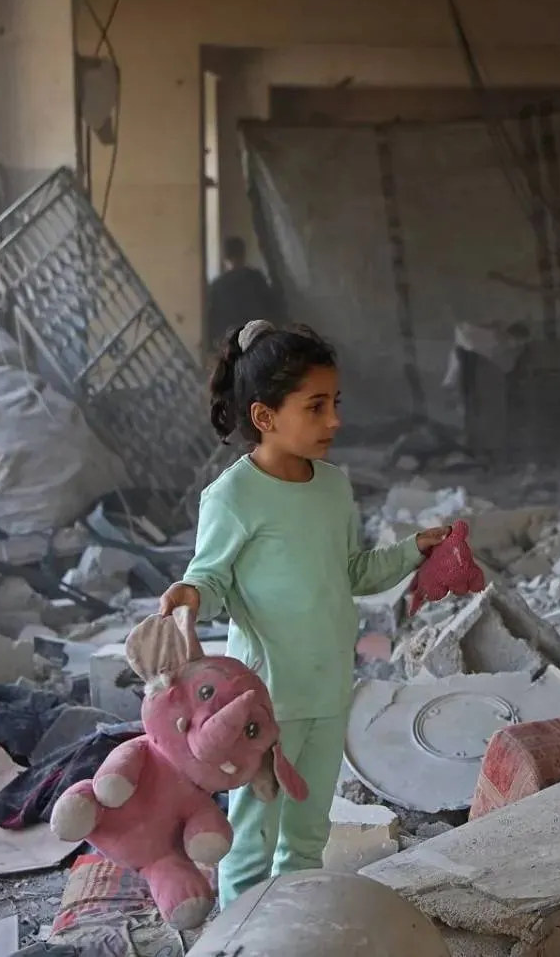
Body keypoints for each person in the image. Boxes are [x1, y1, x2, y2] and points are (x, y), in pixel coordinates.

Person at [159, 320, 449, 906]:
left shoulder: (333, 488)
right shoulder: (233, 496)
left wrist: (413, 550)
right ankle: (241, 936)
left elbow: (352, 573)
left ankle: (293, 928)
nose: (334, 421)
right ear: (264, 416)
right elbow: (211, 579)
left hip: (328, 691)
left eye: (335, 403)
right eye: (316, 407)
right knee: (252, 840)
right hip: (260, 703)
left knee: (308, 836)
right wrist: (189, 595)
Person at [205, 237, 285, 352]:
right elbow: (272, 307)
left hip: (230, 342)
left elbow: (212, 318)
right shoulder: (256, 279)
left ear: (224, 257)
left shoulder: (218, 285)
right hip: (256, 339)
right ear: (243, 254)